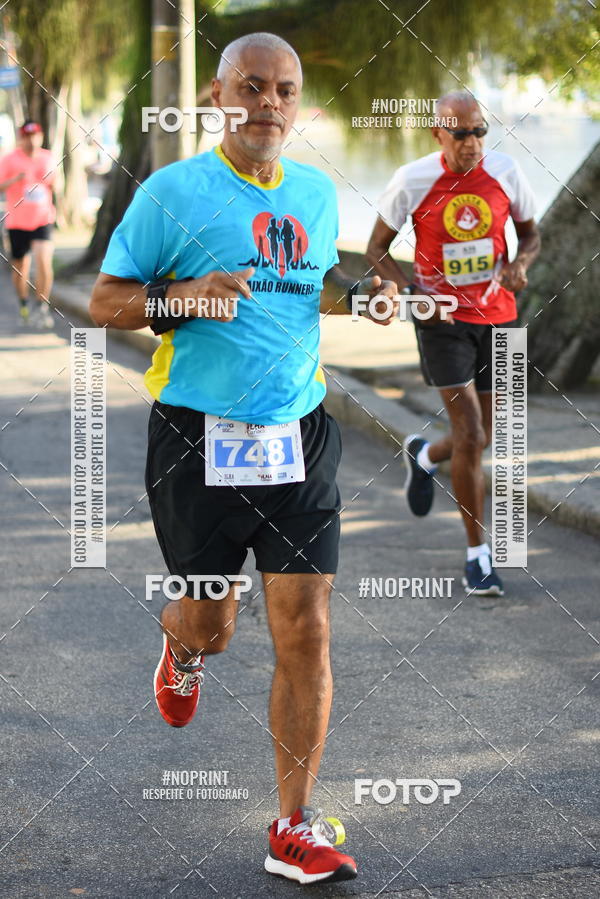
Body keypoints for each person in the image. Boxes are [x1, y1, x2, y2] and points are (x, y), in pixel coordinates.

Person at [90, 32, 398, 886]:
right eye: (252, 87)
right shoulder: (171, 194)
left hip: (299, 436)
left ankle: (293, 825)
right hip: (196, 440)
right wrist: (183, 294)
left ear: (298, 103)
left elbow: (313, 276)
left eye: (285, 91)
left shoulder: (313, 190)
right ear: (220, 96)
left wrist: (362, 293)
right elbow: (104, 301)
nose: (269, 104)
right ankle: (181, 643)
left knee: (307, 627)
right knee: (215, 625)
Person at [366, 91, 540, 596]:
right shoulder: (413, 179)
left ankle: (422, 455)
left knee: (482, 435)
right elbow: (377, 248)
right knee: (469, 434)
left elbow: (531, 233)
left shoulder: (506, 171)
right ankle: (477, 556)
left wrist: (520, 265)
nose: (472, 142)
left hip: (500, 317)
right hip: (441, 320)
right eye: (461, 133)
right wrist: (410, 292)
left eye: (480, 130)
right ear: (438, 134)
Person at [0, 120, 56, 327]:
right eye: (27, 136)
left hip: (43, 219)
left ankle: (42, 307)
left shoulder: (47, 157)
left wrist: (51, 179)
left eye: (35, 136)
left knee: (44, 262)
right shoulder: (9, 159)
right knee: (21, 268)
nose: (31, 140)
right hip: (17, 222)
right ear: (21, 137)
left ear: (40, 137)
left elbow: (57, 183)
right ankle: (24, 303)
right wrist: (15, 180)